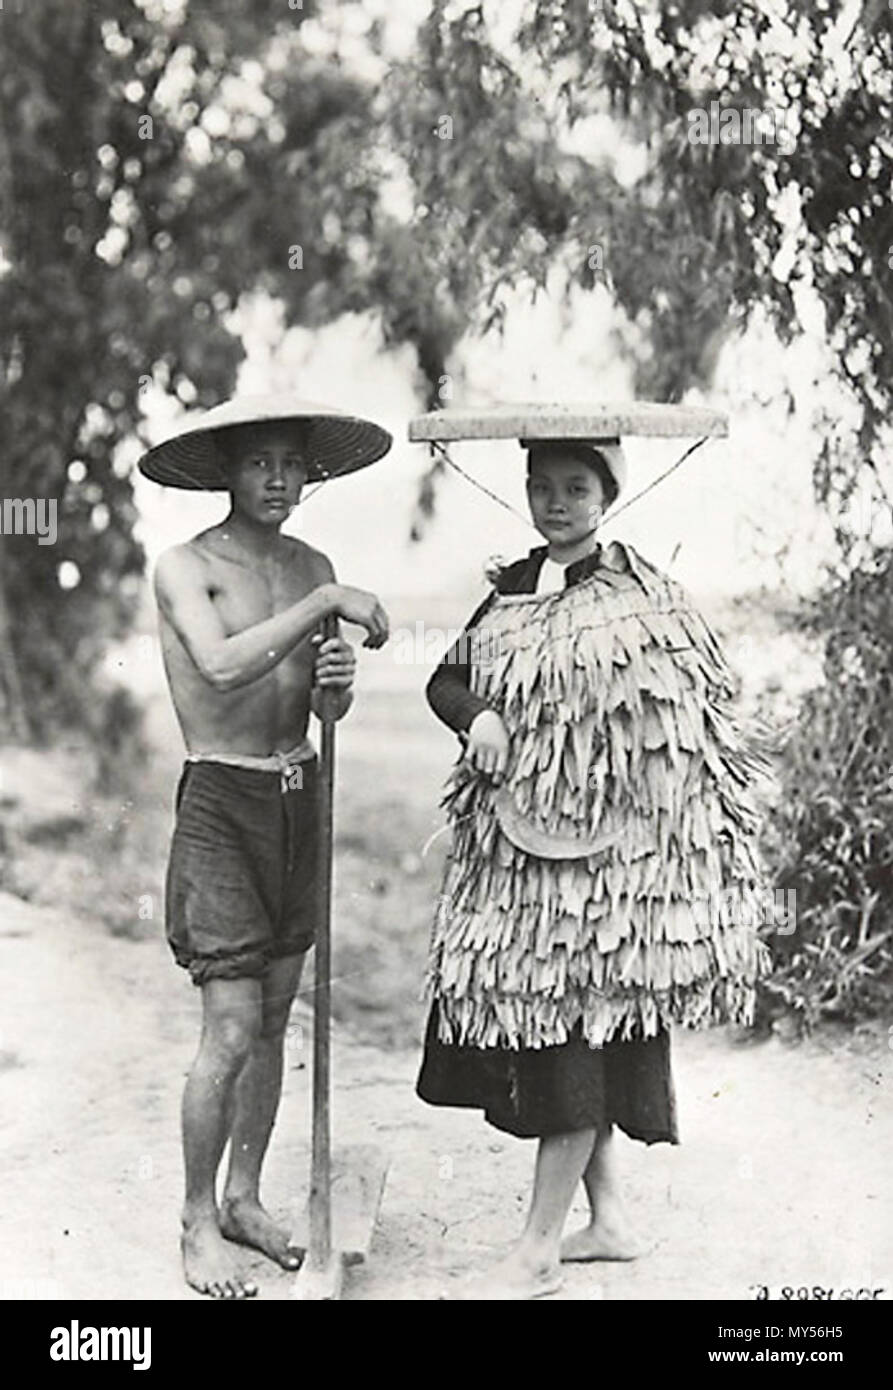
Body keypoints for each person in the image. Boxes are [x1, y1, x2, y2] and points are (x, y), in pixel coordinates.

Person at [416, 431, 769, 1300]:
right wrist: (479, 718)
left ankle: (537, 1250)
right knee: (567, 1035)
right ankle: (608, 1222)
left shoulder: (640, 597)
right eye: (542, 486)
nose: (557, 502)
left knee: (578, 1036)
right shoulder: (507, 592)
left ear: (607, 495)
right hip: (523, 869)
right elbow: (442, 682)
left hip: (609, 878)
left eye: (576, 486)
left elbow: (689, 725)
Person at [138, 396, 391, 1298]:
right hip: (220, 796)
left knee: (278, 1017)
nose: (278, 479)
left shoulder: (310, 563)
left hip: (296, 794)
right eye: (259, 463)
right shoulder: (185, 567)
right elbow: (221, 667)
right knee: (231, 1026)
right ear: (227, 473)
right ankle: (196, 1221)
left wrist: (336, 686)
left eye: (291, 463)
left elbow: (315, 709)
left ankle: (245, 1198)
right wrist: (327, 605)